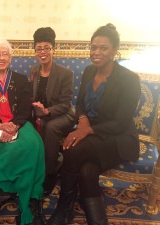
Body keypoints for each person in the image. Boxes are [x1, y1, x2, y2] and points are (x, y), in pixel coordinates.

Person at [47, 23, 141, 225]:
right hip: (92, 132)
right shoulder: (89, 71)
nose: (96, 52)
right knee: (86, 171)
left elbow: (121, 122)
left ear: (115, 51)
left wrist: (87, 130)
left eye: (103, 48)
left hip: (118, 137)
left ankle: (64, 208)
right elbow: (80, 103)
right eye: (93, 47)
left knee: (72, 149)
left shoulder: (129, 79)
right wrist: (82, 121)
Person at [0, 38, 45, 225]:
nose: (1, 57)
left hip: (20, 125)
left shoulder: (21, 79)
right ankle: (4, 198)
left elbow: (25, 108)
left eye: (5, 53)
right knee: (13, 148)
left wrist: (14, 125)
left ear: (10, 57)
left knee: (33, 144)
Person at [30, 27, 75, 194]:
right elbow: (32, 96)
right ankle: (32, 167)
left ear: (53, 49)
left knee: (50, 128)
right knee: (26, 124)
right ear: (35, 51)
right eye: (39, 48)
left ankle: (50, 173)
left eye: (46, 48)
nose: (43, 52)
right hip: (41, 112)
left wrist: (47, 111)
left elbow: (65, 103)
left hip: (64, 114)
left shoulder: (65, 73)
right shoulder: (34, 71)